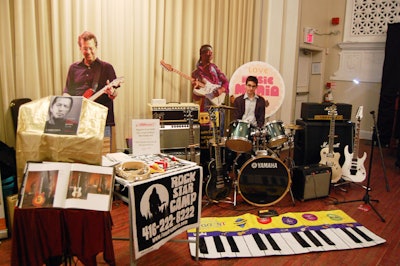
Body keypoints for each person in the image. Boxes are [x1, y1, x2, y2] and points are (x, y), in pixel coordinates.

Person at [63, 31, 121, 147]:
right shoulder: (73, 68)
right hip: (81, 120)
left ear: (96, 47)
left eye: (91, 48)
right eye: (85, 48)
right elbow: (67, 92)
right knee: (82, 155)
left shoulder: (107, 68)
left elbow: (114, 94)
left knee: (103, 156)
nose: (88, 52)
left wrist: (111, 92)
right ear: (80, 48)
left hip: (102, 121)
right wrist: (68, 105)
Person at [192, 44, 229, 136]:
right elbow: (196, 97)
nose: (210, 55)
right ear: (202, 55)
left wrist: (221, 90)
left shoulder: (215, 69)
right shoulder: (196, 74)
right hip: (205, 106)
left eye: (211, 53)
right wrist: (196, 87)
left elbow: (226, 82)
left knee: (217, 133)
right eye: (207, 53)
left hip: (217, 104)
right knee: (205, 134)